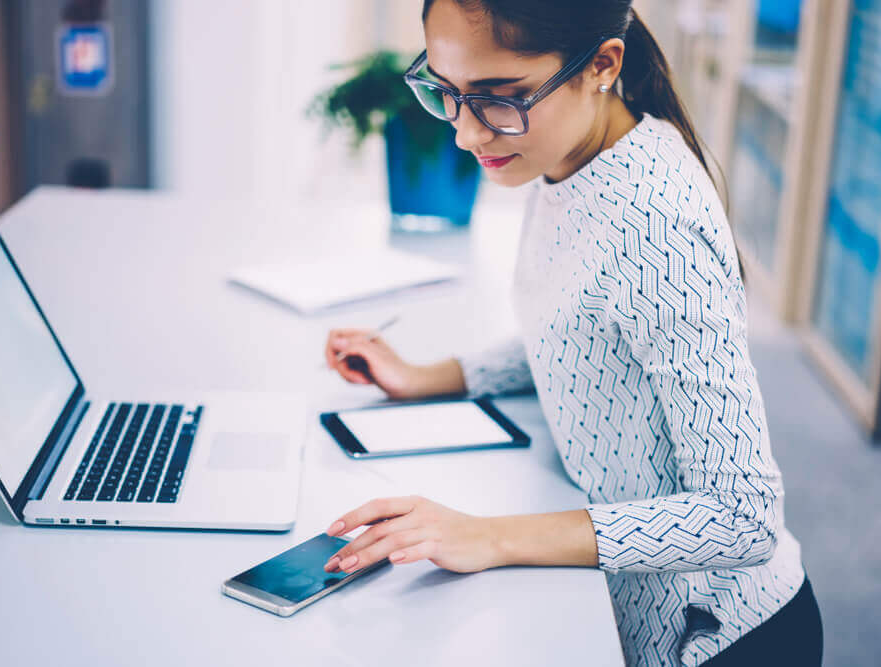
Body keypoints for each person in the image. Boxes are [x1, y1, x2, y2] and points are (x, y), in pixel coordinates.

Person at [320, 1, 823, 665]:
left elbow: (743, 515)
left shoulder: (657, 226)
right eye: (447, 90)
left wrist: (491, 536)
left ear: (602, 66)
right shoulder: (562, 151)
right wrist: (428, 376)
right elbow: (577, 329)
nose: (467, 134)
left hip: (718, 635)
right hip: (622, 602)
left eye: (499, 98)